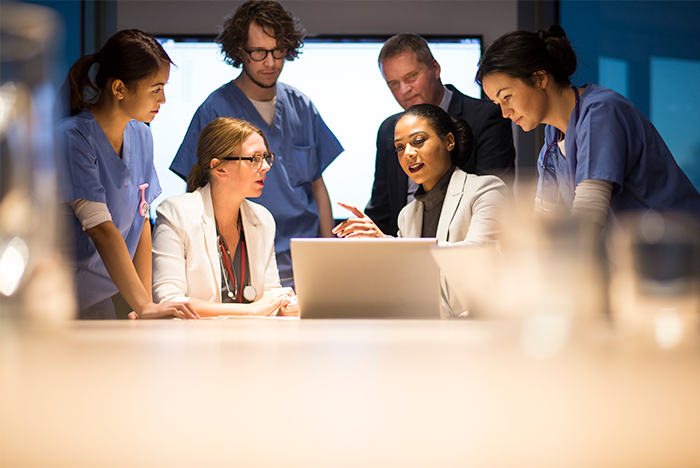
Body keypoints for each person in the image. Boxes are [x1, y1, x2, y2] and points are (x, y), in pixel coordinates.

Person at [169, 0, 343, 288]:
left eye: (278, 51)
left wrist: (328, 254)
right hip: (247, 259)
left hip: (305, 259)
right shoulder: (215, 110)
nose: (271, 62)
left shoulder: (301, 106)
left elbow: (317, 185)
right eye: (260, 52)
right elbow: (196, 189)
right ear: (240, 51)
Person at [477, 25, 700, 228]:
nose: (505, 113)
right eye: (498, 104)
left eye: (507, 97)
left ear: (539, 79)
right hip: (638, 255)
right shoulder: (553, 139)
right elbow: (544, 214)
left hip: (678, 248)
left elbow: (588, 210)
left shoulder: (601, 111)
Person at [57, 29, 197, 320]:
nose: (164, 99)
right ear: (119, 89)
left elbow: (141, 221)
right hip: (60, 302)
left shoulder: (141, 135)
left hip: (102, 300)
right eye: (156, 89)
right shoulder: (73, 139)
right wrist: (146, 306)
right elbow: (100, 229)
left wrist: (143, 305)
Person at [364, 33, 515, 236]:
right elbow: (381, 209)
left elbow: (492, 199)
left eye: (411, 77)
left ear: (435, 69)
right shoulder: (388, 130)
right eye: (393, 83)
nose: (404, 90)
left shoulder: (485, 117)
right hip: (402, 244)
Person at [152, 118, 297, 317]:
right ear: (219, 168)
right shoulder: (175, 213)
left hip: (253, 342)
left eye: (266, 157)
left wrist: (285, 305)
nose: (266, 166)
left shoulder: (263, 219)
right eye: (254, 158)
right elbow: (170, 301)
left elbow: (270, 296)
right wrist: (250, 311)